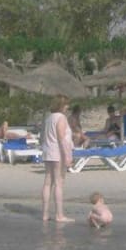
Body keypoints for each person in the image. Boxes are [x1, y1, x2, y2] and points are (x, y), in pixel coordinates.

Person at [41, 94, 75, 223]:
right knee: (59, 183)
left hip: (48, 150)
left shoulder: (49, 118)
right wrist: (67, 156)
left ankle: (45, 214)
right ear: (61, 105)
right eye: (66, 104)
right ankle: (59, 215)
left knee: (48, 182)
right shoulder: (61, 118)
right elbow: (61, 138)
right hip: (57, 152)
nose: (67, 107)